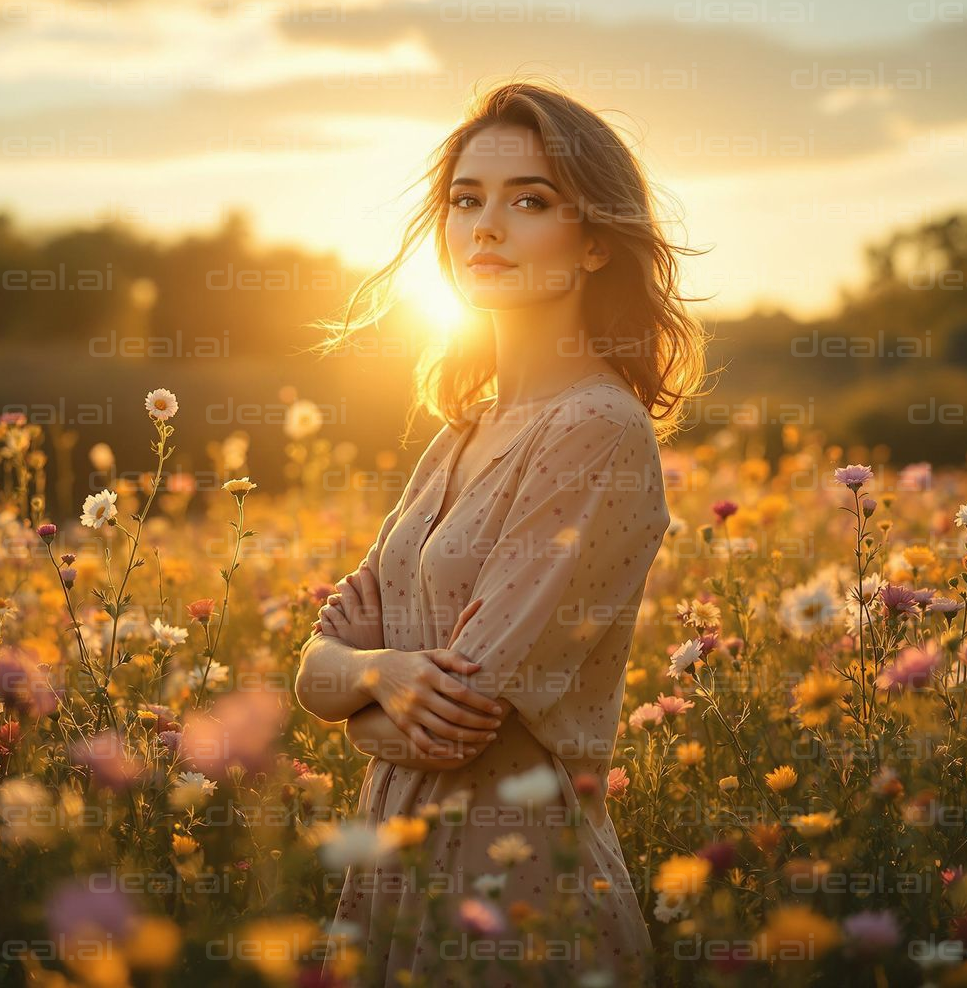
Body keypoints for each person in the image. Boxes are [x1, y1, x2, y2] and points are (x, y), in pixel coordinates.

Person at [294, 79, 710, 986]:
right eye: (465, 201)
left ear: (597, 242)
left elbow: (462, 723)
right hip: (392, 862)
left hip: (515, 883)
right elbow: (318, 662)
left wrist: (351, 692)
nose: (486, 227)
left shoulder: (596, 427)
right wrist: (378, 674)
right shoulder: (461, 431)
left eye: (530, 200)